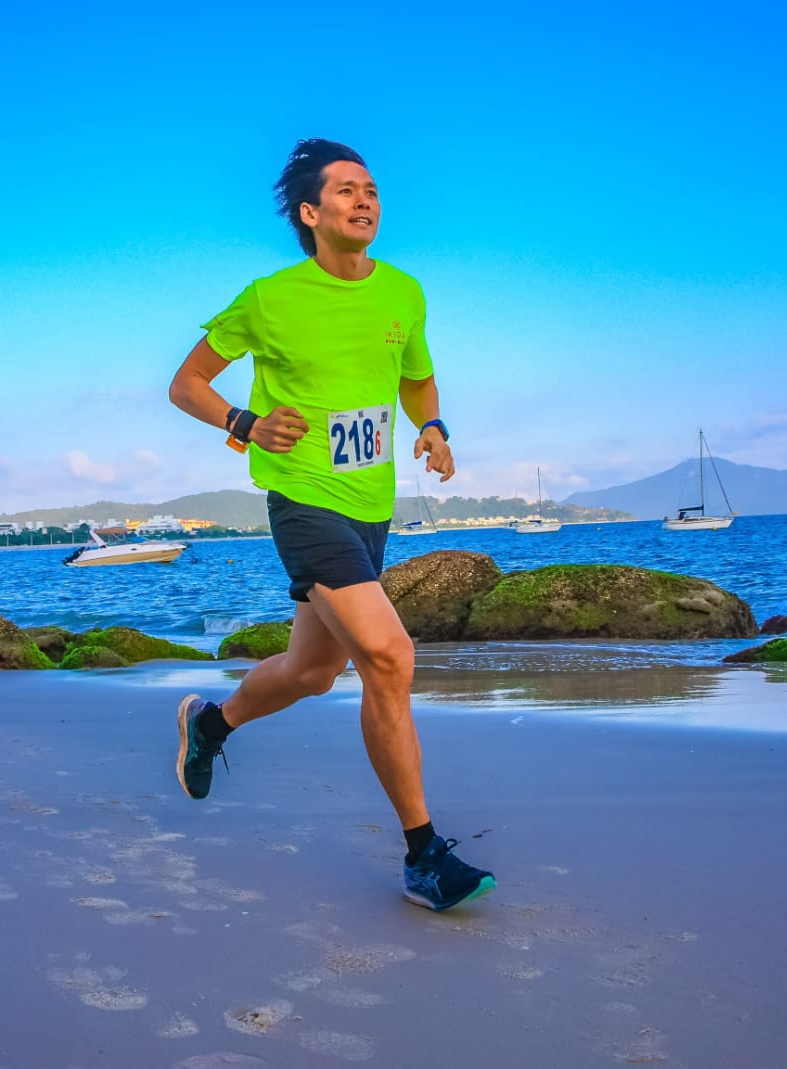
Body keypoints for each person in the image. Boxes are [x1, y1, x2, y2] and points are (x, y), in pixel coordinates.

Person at [167, 138, 495, 911]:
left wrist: (435, 425)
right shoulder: (269, 297)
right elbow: (186, 383)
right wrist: (244, 421)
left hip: (369, 505)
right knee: (388, 655)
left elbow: (415, 374)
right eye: (347, 190)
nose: (365, 199)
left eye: (373, 188)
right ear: (312, 213)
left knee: (314, 671)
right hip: (303, 499)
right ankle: (423, 854)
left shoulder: (404, 294)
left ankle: (211, 723)